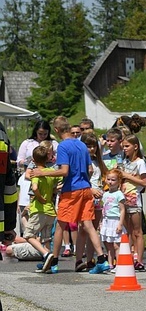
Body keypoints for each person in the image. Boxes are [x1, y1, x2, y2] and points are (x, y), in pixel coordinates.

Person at [30, 116, 110, 275]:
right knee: (87, 224)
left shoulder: (63, 147)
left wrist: (43, 172)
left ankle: (53, 261)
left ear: (57, 130)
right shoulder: (81, 145)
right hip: (86, 189)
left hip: (71, 190)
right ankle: (101, 259)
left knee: (61, 224)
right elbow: (90, 170)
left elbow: (64, 171)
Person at [74, 131, 108, 272]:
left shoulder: (98, 162)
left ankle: (90, 260)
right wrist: (91, 190)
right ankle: (78, 260)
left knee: (93, 230)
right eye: (88, 146)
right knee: (83, 229)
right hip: (85, 195)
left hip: (98, 199)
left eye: (94, 146)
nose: (92, 149)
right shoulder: (81, 161)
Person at [23, 146, 61, 267]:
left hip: (39, 209)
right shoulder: (51, 172)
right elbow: (60, 182)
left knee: (28, 235)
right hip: (50, 210)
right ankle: (48, 263)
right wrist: (54, 190)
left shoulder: (35, 173)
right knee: (46, 238)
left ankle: (45, 254)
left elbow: (34, 188)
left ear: (33, 159)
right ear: (48, 158)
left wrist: (39, 196)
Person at [119, 135, 146, 271]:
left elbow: (144, 182)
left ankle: (140, 260)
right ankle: (130, 255)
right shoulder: (125, 162)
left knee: (137, 231)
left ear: (135, 147)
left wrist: (127, 176)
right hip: (123, 198)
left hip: (134, 199)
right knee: (128, 230)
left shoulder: (140, 163)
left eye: (127, 146)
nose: (124, 149)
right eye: (123, 146)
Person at [99, 168, 126, 271]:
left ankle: (119, 264)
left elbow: (122, 210)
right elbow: (103, 208)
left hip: (115, 220)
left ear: (119, 181)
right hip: (106, 220)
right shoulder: (105, 194)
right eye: (108, 179)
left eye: (113, 180)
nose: (110, 182)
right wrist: (101, 221)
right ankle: (110, 264)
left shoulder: (119, 194)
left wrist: (120, 223)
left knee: (116, 245)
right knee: (108, 244)